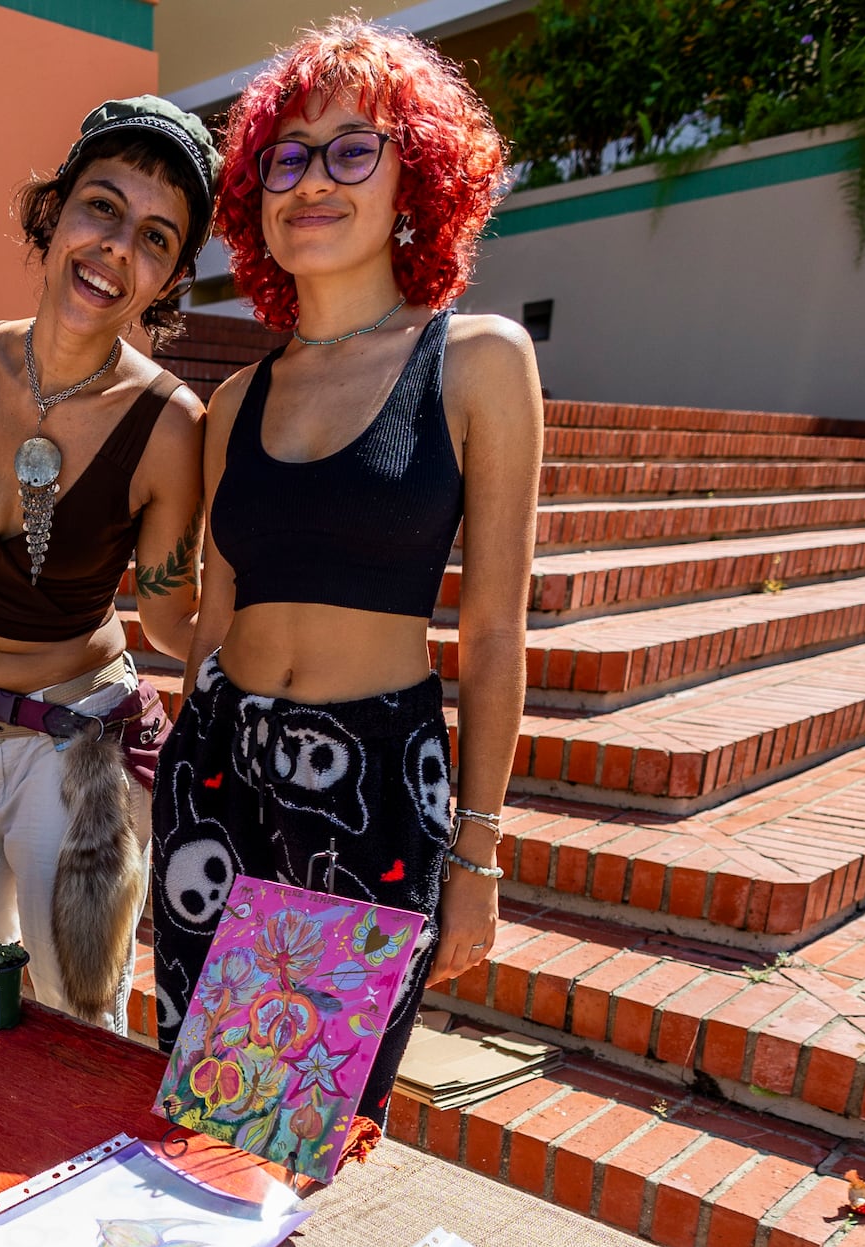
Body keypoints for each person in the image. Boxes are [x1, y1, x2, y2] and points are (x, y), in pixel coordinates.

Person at [151, 20, 539, 1117]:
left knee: (299, 1115)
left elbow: (494, 634)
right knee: (199, 1101)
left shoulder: (477, 361)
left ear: (416, 178)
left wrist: (477, 854)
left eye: (353, 149)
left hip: (371, 783)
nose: (313, 180)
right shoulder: (235, 402)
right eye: (287, 157)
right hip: (216, 770)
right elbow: (214, 616)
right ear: (254, 196)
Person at [0, 96, 218, 1033]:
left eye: (155, 238)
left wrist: (279, 642)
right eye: (101, 207)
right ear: (54, 210)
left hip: (78, 756)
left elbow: (173, 617)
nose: (116, 247)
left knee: (79, 1023)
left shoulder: (169, 426)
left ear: (169, 280)